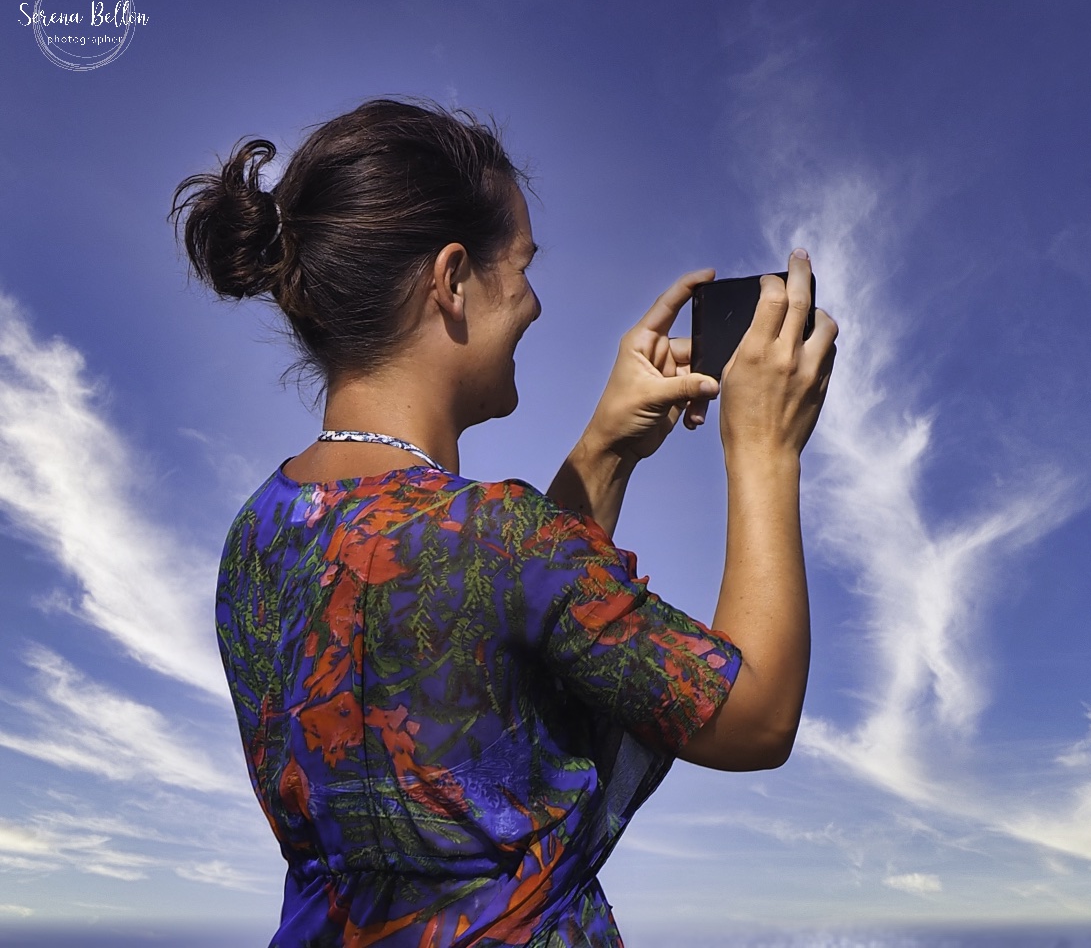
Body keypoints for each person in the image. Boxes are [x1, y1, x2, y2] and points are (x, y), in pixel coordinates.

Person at [172, 97, 837, 947]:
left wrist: (603, 451)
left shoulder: (258, 536)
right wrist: (764, 450)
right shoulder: (502, 538)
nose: (531, 304)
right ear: (451, 280)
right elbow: (756, 716)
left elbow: (480, 667)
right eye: (521, 266)